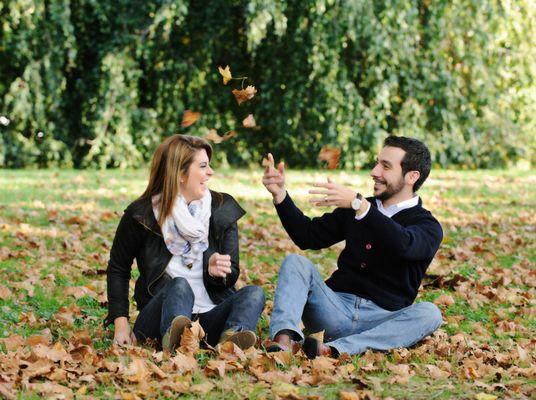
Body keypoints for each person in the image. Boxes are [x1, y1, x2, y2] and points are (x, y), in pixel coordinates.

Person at [262, 136, 443, 359]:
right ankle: (284, 340)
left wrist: (362, 207)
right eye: (377, 163)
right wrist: (280, 195)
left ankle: (334, 349)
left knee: (430, 313)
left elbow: (404, 244)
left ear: (412, 176)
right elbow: (307, 236)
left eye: (385, 166)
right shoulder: (356, 207)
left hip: (382, 321)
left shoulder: (427, 226)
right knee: (295, 262)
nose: (375, 171)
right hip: (333, 311)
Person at [106, 134, 265, 352]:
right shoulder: (141, 215)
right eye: (203, 166)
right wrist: (121, 324)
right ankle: (175, 341)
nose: (210, 172)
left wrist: (214, 271)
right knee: (180, 285)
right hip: (159, 315)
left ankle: (229, 342)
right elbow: (118, 268)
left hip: (209, 315)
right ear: (180, 173)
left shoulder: (221, 208)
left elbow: (231, 275)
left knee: (254, 294)